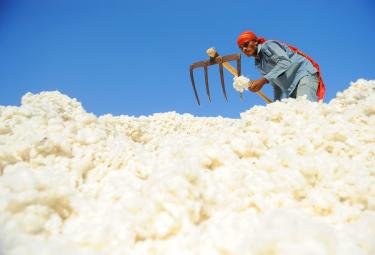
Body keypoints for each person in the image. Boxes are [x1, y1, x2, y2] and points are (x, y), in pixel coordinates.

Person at [236, 31, 325, 102]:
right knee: (295, 116)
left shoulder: (268, 45)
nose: (244, 49)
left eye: (246, 44)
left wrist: (263, 80)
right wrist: (276, 102)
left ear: (255, 42)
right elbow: (276, 84)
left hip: (303, 75)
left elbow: (285, 62)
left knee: (305, 108)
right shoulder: (259, 65)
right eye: (241, 48)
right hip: (291, 90)